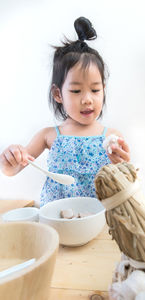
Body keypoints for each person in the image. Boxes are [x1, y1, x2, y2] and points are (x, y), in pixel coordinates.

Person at [0, 17, 130, 206]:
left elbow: (125, 187)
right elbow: (12, 170)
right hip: (55, 222)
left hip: (99, 223)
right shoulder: (48, 135)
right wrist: (9, 159)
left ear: (103, 89)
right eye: (76, 91)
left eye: (95, 90)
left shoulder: (112, 137)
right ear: (58, 94)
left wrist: (123, 166)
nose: (87, 99)